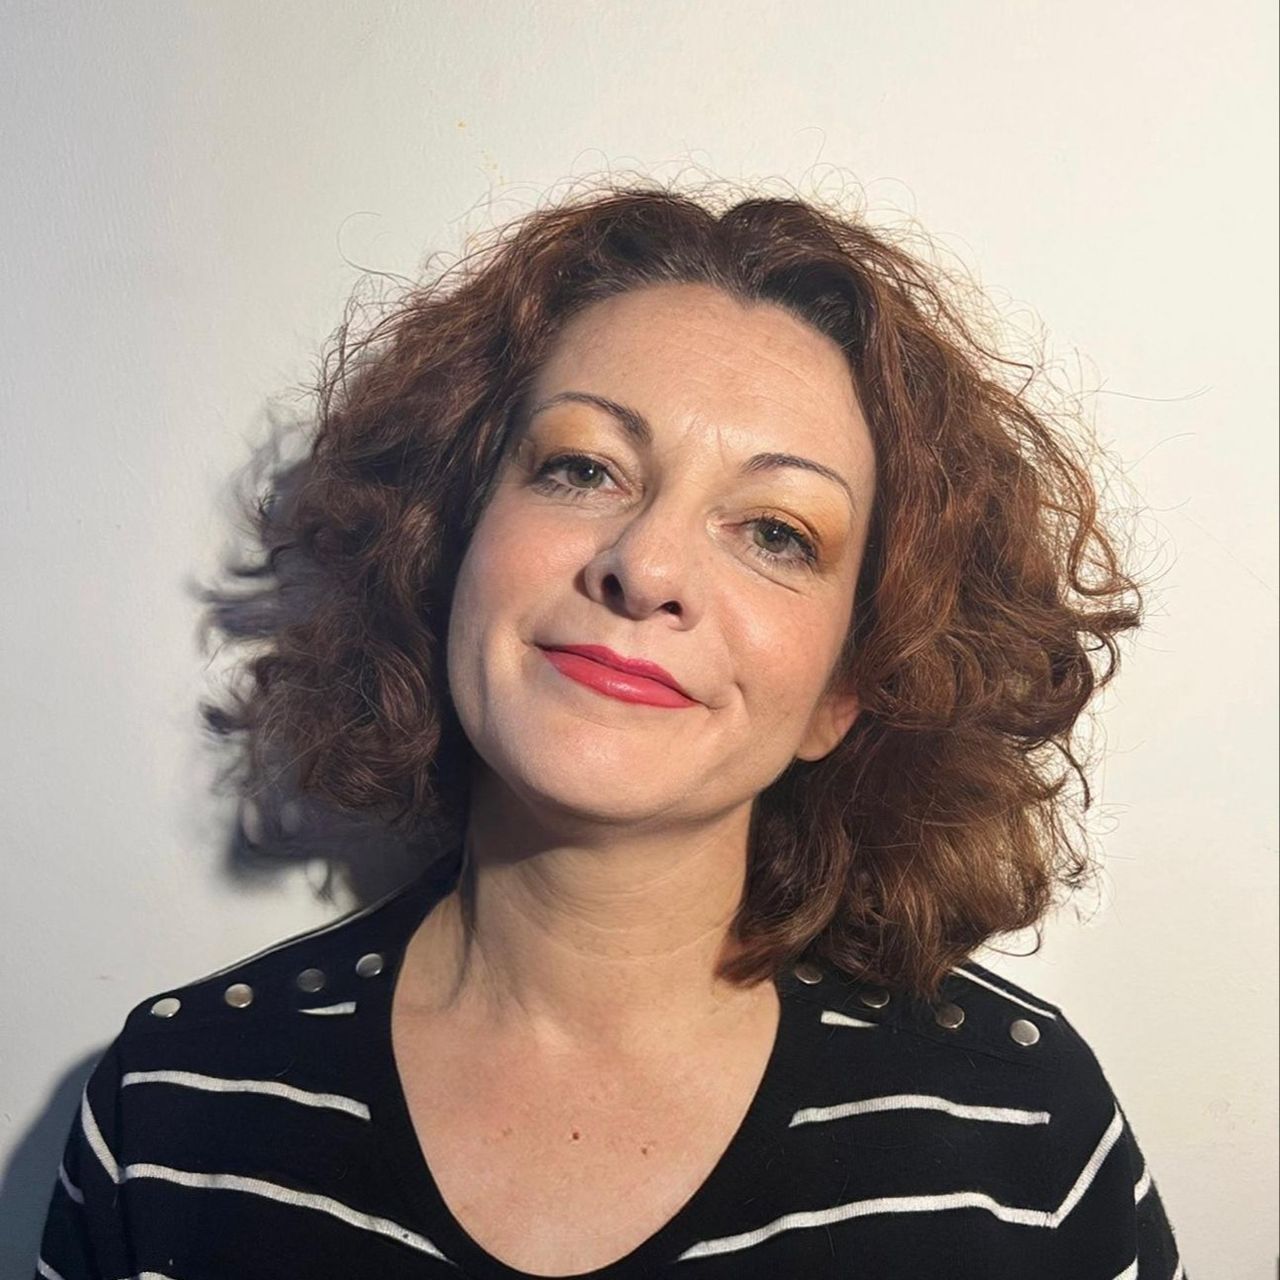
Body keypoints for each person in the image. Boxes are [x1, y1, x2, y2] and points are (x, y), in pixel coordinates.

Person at [35, 182, 1190, 1279]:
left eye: (776, 532)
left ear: (847, 686)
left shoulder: (1023, 1134)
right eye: (582, 467)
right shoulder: (171, 1112)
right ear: (446, 544)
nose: (643, 565)